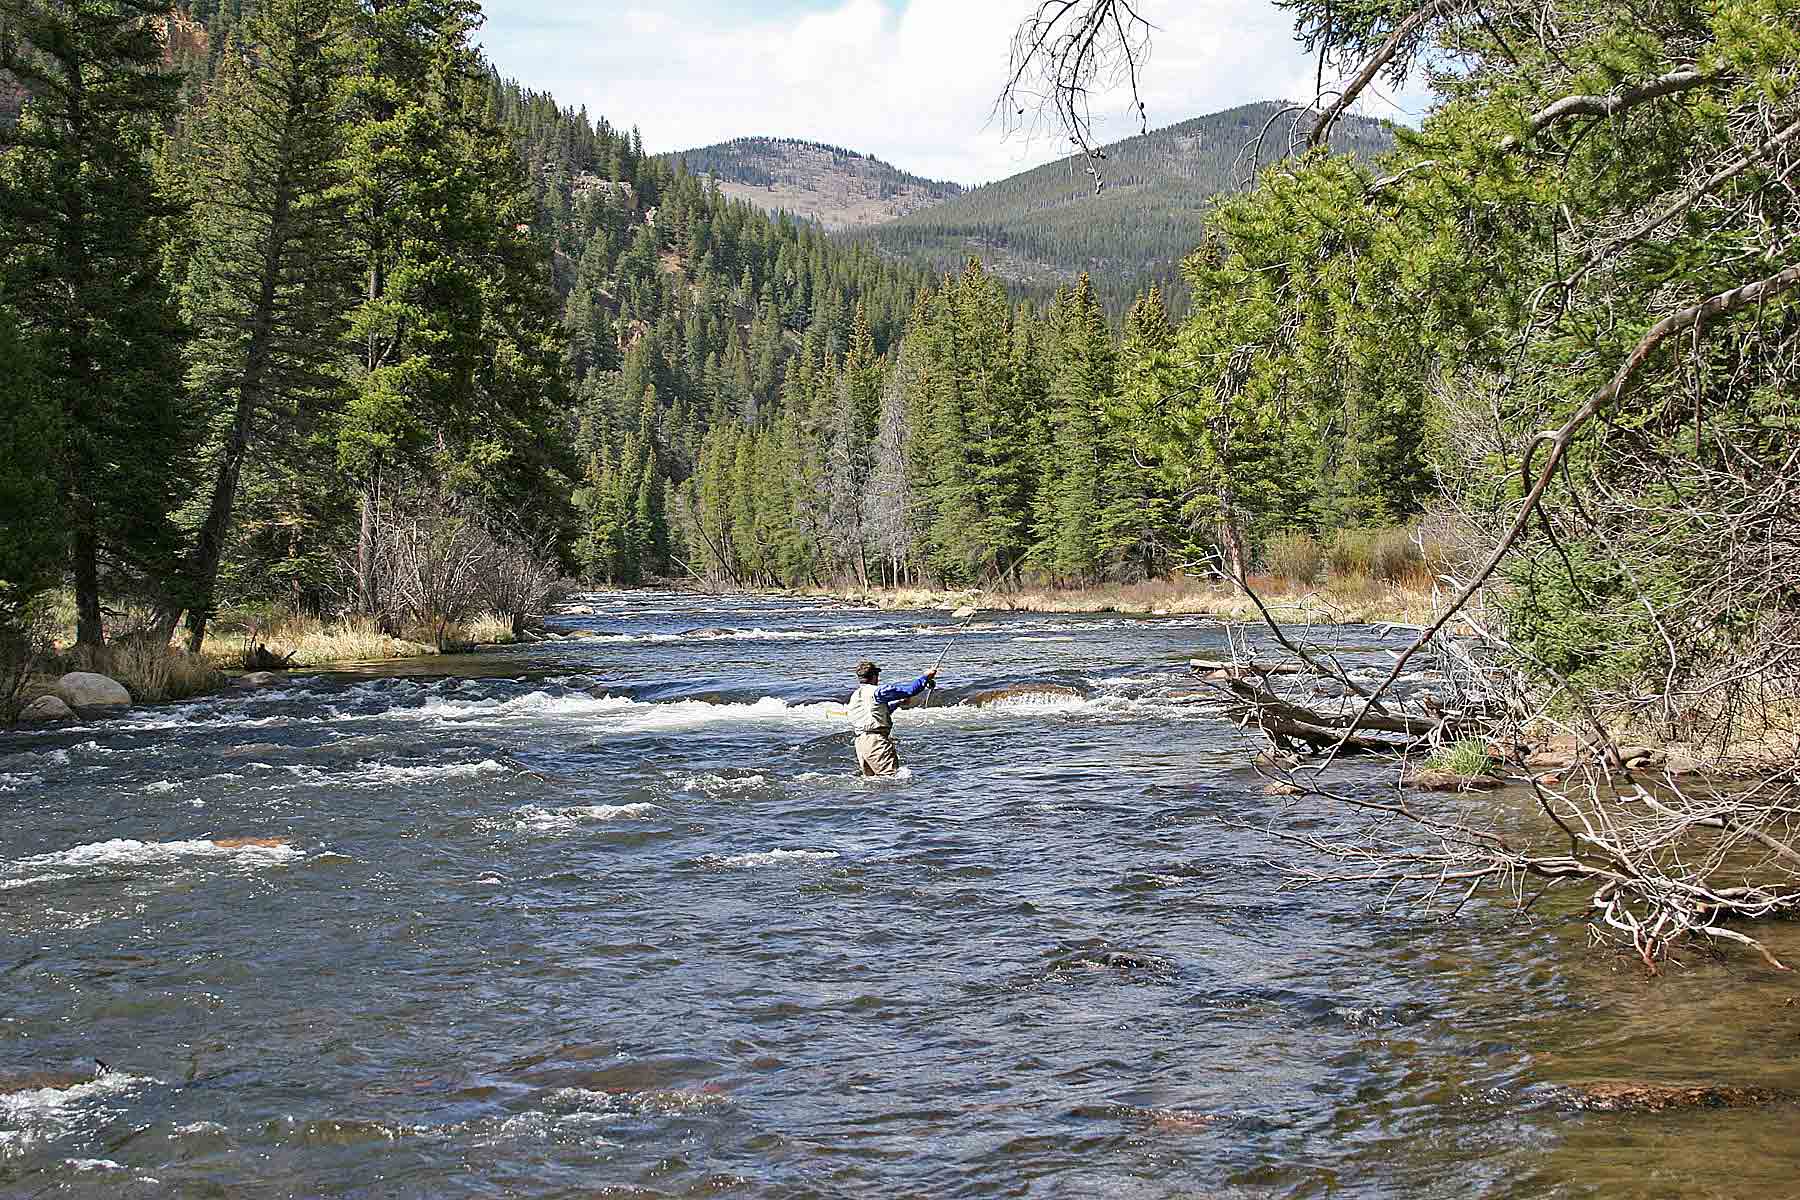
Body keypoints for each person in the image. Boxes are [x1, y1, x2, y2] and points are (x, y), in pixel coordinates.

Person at [847, 660, 937, 776]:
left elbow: (875, 712)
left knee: (872, 784)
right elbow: (909, 691)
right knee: (892, 781)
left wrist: (897, 703)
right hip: (876, 742)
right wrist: (925, 677)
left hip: (860, 744)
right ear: (874, 676)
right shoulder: (878, 691)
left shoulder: (855, 696)